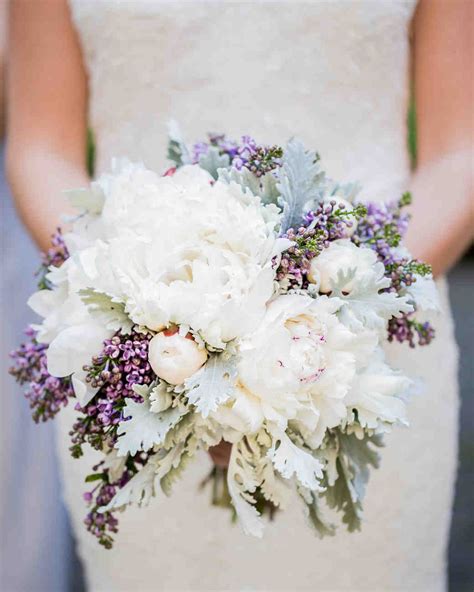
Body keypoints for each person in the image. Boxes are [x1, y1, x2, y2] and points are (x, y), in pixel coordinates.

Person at [6, 1, 473, 590]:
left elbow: (460, 153)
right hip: (139, 367)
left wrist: (323, 310)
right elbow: (42, 149)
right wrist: (141, 317)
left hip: (369, 348)